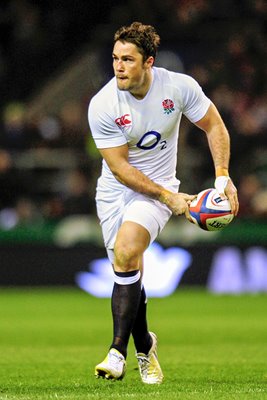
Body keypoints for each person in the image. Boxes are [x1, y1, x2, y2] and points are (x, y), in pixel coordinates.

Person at [88, 21, 239, 384]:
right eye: (115, 58)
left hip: (157, 189)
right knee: (128, 270)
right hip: (115, 191)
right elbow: (120, 167)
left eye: (127, 59)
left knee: (126, 253)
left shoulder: (179, 87)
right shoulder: (104, 104)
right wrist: (169, 199)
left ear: (149, 62)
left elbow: (214, 126)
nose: (118, 66)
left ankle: (116, 352)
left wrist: (222, 176)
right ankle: (146, 346)